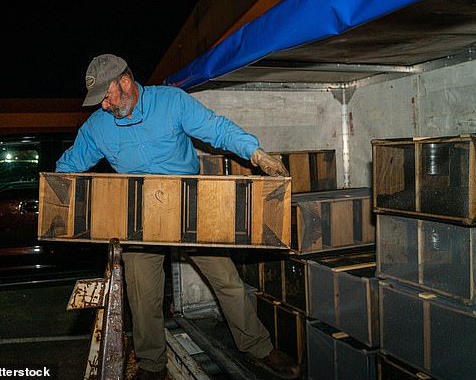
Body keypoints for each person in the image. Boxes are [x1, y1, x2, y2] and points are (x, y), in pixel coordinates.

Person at [56, 54, 301, 380]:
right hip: (138, 217)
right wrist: (52, 194)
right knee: (142, 295)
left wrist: (256, 154)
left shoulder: (171, 102)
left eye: (106, 96)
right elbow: (68, 168)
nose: (103, 105)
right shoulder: (97, 128)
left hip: (190, 209)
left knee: (226, 280)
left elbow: (217, 129)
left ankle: (259, 348)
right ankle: (152, 365)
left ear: (124, 82)